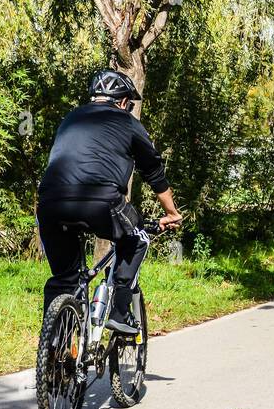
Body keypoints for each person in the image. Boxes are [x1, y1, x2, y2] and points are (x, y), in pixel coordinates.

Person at [36, 69, 182, 333]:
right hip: (101, 201)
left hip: (50, 203)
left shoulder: (70, 119)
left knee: (64, 280)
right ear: (124, 102)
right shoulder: (128, 123)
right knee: (137, 238)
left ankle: (55, 350)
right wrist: (171, 213)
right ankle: (119, 310)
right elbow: (154, 172)